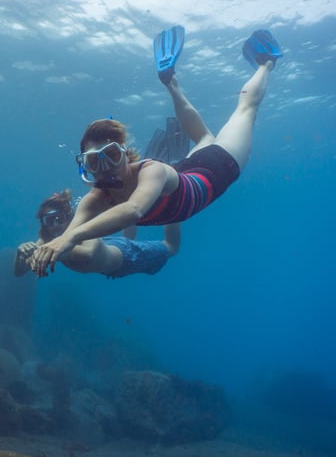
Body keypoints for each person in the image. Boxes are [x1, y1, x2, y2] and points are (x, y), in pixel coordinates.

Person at [31, 27, 282, 276]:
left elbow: (132, 211)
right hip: (188, 170)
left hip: (217, 167)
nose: (105, 167)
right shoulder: (94, 200)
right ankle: (171, 83)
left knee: (245, 110)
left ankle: (266, 62)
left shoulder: (152, 170)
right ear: (84, 166)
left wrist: (71, 236)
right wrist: (48, 248)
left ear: (125, 153)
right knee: (204, 136)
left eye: (111, 155)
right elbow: (70, 238)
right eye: (94, 162)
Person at [14, 190, 180, 278]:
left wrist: (51, 252)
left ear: (69, 217)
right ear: (43, 224)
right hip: (108, 252)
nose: (55, 225)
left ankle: (171, 197)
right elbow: (20, 272)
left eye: (59, 218)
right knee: (127, 237)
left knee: (171, 247)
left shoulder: (82, 227)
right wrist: (20, 253)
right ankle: (129, 203)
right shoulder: (47, 240)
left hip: (126, 255)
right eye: (49, 221)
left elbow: (88, 253)